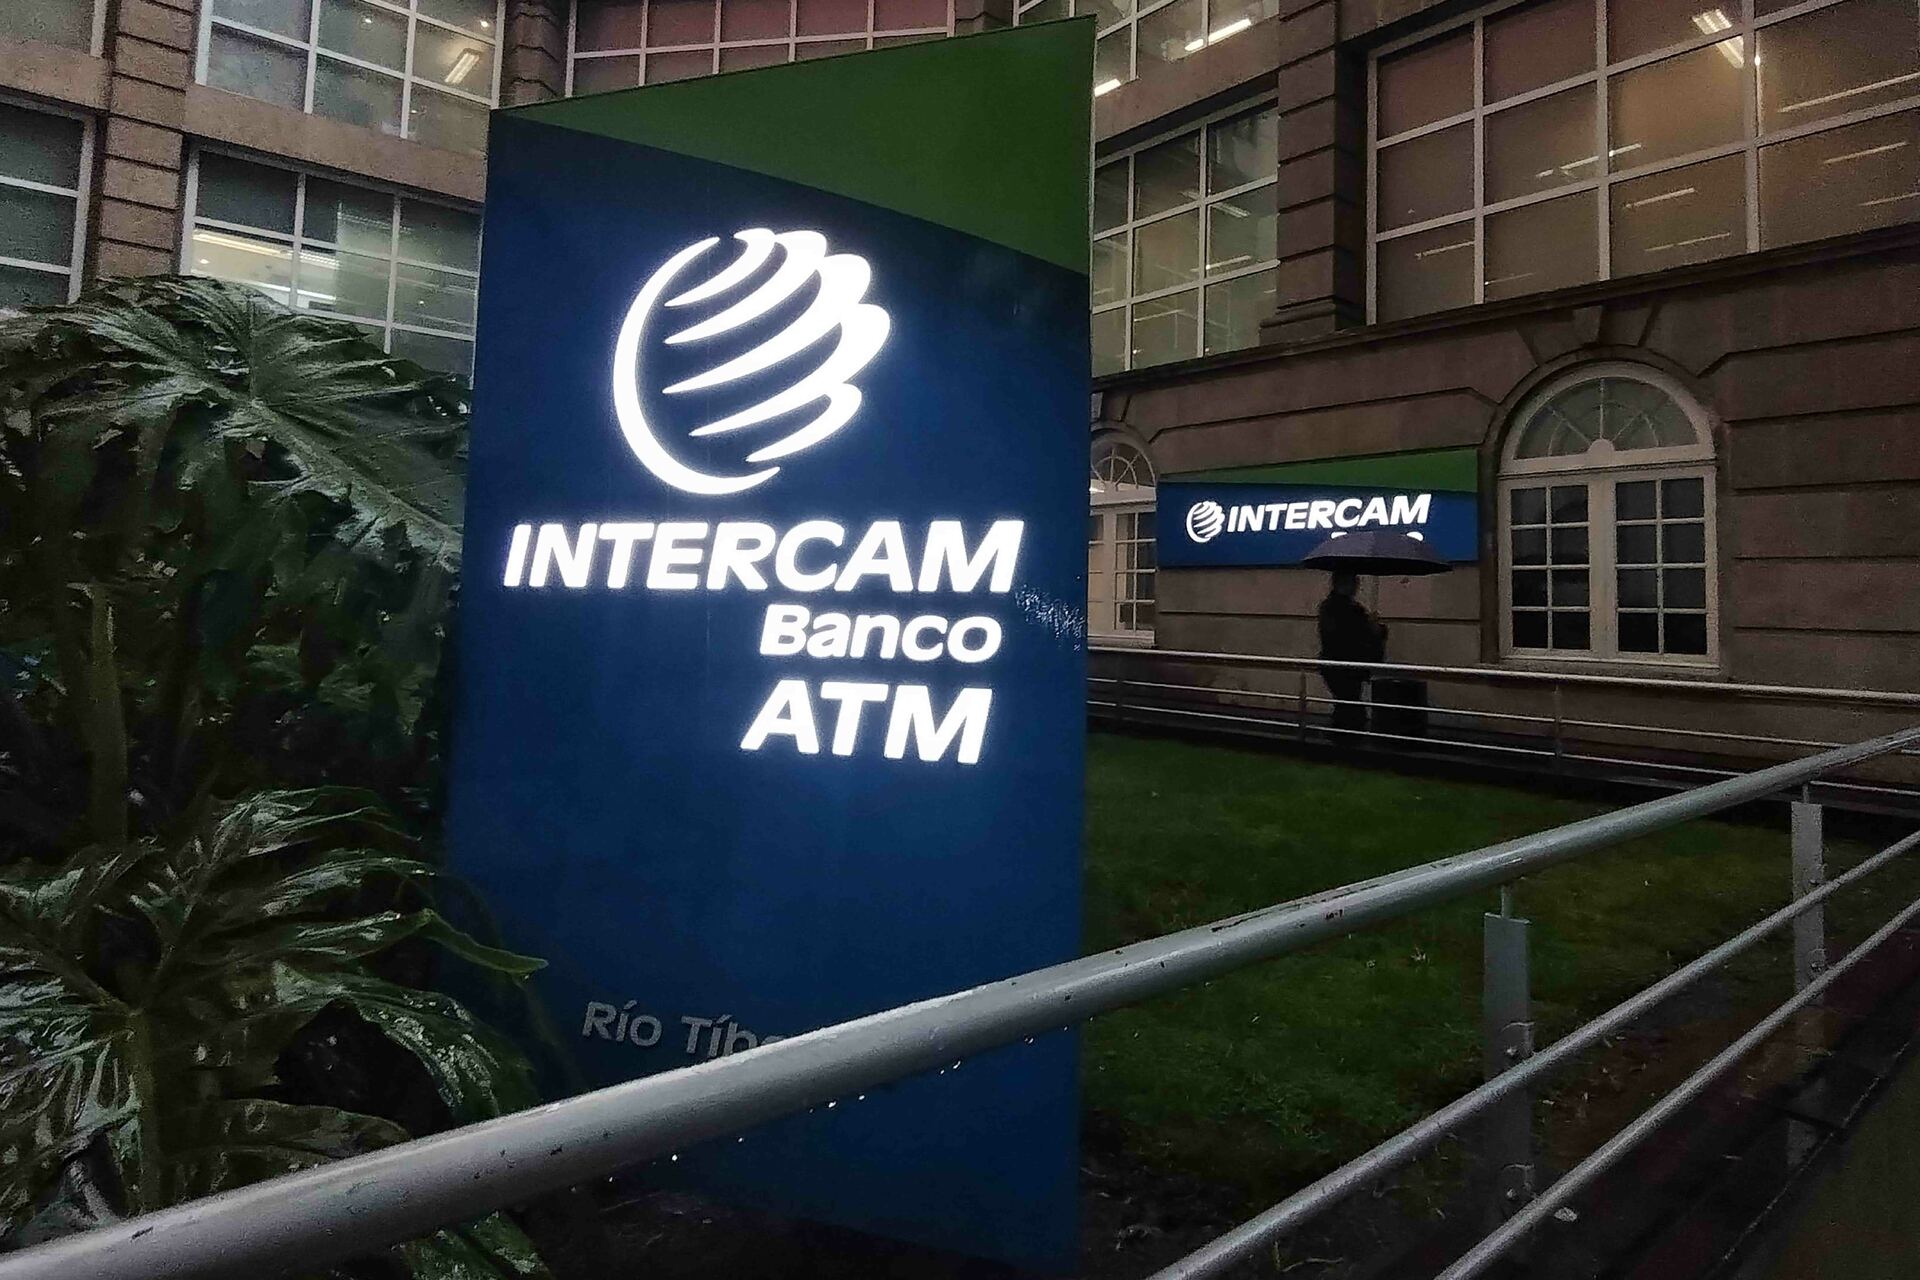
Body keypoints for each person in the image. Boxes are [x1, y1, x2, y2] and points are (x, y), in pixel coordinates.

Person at [1318, 571, 1386, 737]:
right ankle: (1345, 736)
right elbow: (1349, 636)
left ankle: (1342, 736)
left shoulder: (1330, 607)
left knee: (1347, 702)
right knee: (1350, 703)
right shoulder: (1349, 610)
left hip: (1337, 665)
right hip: (1346, 665)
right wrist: (1374, 629)